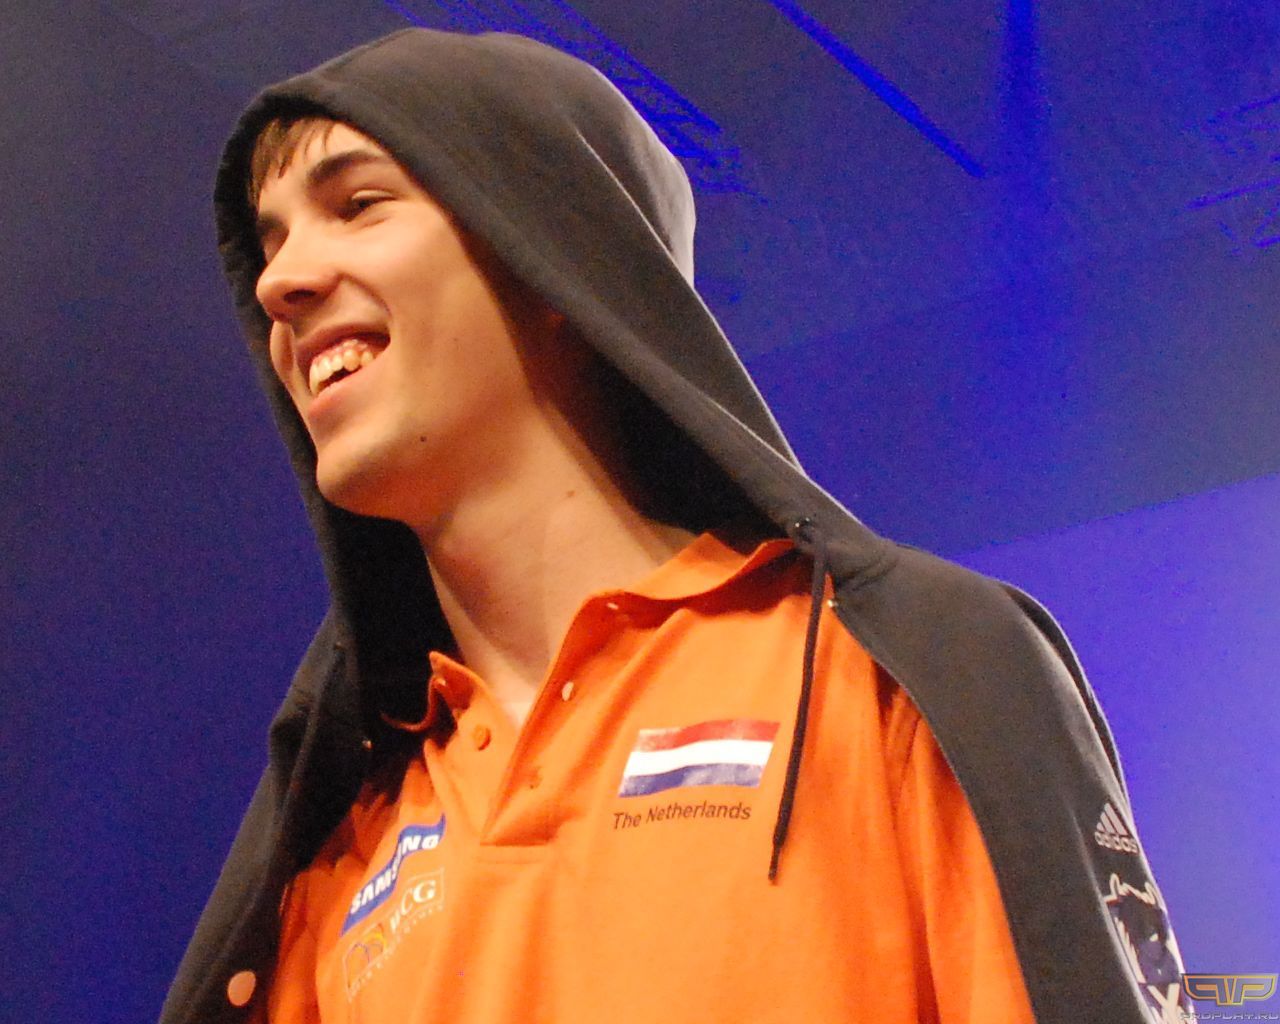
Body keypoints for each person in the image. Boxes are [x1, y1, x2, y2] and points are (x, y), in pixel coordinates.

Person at [161, 27, 1190, 1024]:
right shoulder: (336, 846)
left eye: (358, 205)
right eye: (272, 239)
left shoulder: (900, 683)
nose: (278, 284)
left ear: (553, 255)